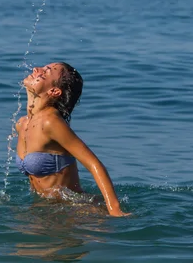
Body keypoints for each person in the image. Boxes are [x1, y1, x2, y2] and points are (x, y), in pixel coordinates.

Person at [15, 62, 129, 217]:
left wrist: (114, 209)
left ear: (54, 91)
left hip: (78, 212)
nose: (36, 69)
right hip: (46, 211)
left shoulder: (50, 122)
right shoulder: (22, 124)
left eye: (46, 72)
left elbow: (94, 164)